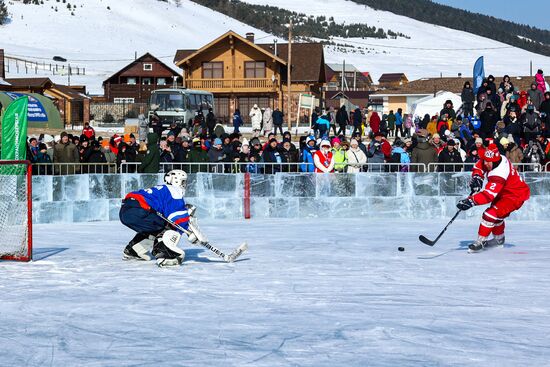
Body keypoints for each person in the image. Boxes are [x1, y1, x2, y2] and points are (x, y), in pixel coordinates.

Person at [119, 170, 205, 267]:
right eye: (183, 181)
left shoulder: (162, 189)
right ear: (176, 180)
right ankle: (166, 254)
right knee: (168, 226)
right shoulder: (174, 190)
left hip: (125, 210)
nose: (185, 184)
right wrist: (189, 231)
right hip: (141, 209)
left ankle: (134, 250)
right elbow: (177, 218)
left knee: (155, 226)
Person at [457, 144, 530, 252]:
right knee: (496, 216)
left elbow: (488, 195)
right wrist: (477, 177)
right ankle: (499, 240)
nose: (485, 163)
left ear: (495, 161)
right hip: (503, 193)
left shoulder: (499, 174)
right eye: (485, 160)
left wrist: (470, 201)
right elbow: (479, 165)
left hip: (514, 196)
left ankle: (480, 242)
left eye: (488, 162)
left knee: (490, 214)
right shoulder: (497, 158)